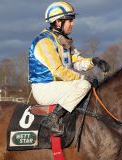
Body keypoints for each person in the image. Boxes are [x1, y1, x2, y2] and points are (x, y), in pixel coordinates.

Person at [28, 1, 109, 136]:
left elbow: (76, 62)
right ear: (58, 22)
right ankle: (53, 119)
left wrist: (94, 61)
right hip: (44, 88)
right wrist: (84, 79)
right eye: (70, 20)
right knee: (83, 85)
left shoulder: (62, 40)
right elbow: (58, 70)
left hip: (59, 86)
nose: (73, 24)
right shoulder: (45, 41)